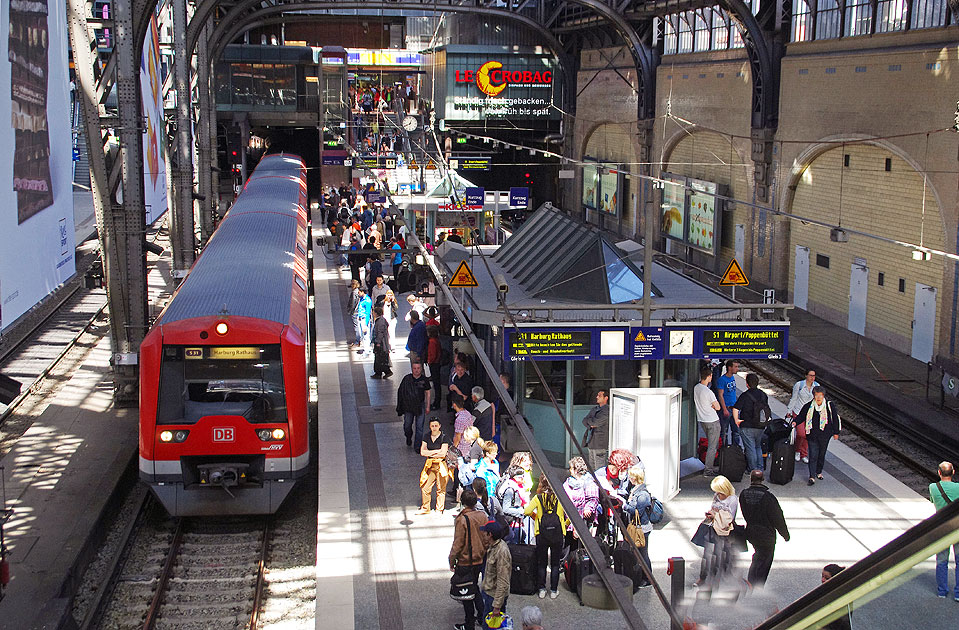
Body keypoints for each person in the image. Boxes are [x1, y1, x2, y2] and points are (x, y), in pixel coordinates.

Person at [739, 470, 790, 588]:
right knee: (765, 560)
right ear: (762, 479)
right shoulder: (768, 497)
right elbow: (777, 517)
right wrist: (785, 535)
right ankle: (757, 586)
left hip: (751, 532)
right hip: (767, 535)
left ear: (751, 479)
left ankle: (751, 582)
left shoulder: (743, 494)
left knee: (758, 556)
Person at [450, 490, 490, 630]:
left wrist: (452, 560)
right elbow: (486, 537)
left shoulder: (462, 519)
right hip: (479, 559)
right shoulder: (482, 516)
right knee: (474, 587)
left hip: (466, 561)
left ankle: (469, 624)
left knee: (466, 591)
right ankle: (481, 616)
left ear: (462, 502)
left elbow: (458, 543)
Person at [524, 476, 569, 599]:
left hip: (541, 533)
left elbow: (527, 511)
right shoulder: (560, 498)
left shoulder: (538, 498)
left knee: (542, 563)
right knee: (555, 564)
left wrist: (536, 518)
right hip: (558, 533)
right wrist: (564, 525)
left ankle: (542, 589)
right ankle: (554, 590)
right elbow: (570, 513)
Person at [694, 475, 738, 587]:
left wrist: (716, 515)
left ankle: (718, 579)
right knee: (707, 554)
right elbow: (713, 508)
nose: (717, 494)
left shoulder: (732, 500)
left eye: (719, 492)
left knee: (720, 554)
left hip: (723, 531)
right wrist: (711, 514)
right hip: (712, 528)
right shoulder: (716, 496)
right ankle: (703, 577)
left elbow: (729, 518)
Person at [793, 386, 841, 486]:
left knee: (821, 454)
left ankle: (818, 471)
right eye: (816, 395)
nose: (818, 397)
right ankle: (811, 476)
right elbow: (801, 416)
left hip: (825, 435)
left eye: (820, 395)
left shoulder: (829, 405)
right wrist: (795, 422)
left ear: (823, 396)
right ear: (814, 396)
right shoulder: (809, 406)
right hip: (812, 435)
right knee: (813, 455)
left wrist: (836, 432)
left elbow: (835, 419)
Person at [930, 461, 959, 600]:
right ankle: (958, 593)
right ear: (953, 472)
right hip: (957, 528)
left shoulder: (933, 487)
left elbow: (933, 501)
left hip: (941, 527)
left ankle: (942, 591)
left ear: (939, 473)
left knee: (942, 559)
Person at [733, 373, 773, 473]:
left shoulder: (745, 395)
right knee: (758, 446)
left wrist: (736, 420)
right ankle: (760, 468)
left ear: (747, 384)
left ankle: (753, 469)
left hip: (747, 426)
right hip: (760, 425)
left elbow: (736, 408)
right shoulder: (763, 395)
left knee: (750, 448)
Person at [622, 465, 653, 588]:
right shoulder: (636, 490)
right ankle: (642, 576)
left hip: (642, 528)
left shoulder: (642, 495)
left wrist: (625, 506)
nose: (629, 478)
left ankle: (648, 578)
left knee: (643, 554)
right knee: (638, 553)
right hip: (639, 527)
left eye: (631, 476)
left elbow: (637, 512)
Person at [480, 518, 512, 624]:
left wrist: (497, 606)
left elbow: (503, 581)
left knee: (490, 627)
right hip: (489, 594)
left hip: (493, 598)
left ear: (490, 535)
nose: (483, 534)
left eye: (485, 532)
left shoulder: (502, 551)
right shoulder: (492, 546)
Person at [563, 456, 600, 542]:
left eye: (571, 468)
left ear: (576, 470)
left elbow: (593, 499)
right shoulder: (568, 482)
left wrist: (588, 509)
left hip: (583, 521)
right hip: (568, 520)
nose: (570, 470)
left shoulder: (589, 482)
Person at [694, 365, 722, 476]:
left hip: (702, 420)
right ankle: (708, 469)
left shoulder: (696, 388)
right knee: (712, 446)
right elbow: (718, 407)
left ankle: (708, 467)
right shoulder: (708, 392)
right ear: (709, 376)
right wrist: (713, 405)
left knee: (710, 444)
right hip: (712, 420)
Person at [418, 417, 450, 515]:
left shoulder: (444, 437)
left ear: (440, 426)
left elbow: (443, 453)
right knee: (425, 486)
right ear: (430, 427)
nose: (434, 428)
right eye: (432, 426)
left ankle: (439, 509)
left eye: (436, 425)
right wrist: (436, 451)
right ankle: (425, 507)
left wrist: (430, 452)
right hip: (430, 464)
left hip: (441, 464)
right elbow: (422, 452)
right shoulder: (427, 436)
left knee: (441, 488)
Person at [786, 369, 818, 464]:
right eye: (810, 375)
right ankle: (797, 450)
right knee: (801, 434)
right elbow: (794, 398)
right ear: (806, 376)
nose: (812, 377)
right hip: (798, 412)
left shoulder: (816, 386)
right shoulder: (799, 385)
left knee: (807, 434)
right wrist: (789, 410)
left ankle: (803, 453)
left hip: (810, 414)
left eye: (814, 375)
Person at [396, 362, 431, 448]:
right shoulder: (407, 379)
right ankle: (408, 436)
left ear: (421, 369)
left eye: (418, 368)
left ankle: (417, 446)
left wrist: (428, 406)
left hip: (420, 405)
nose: (416, 370)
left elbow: (428, 393)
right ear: (412, 369)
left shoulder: (424, 380)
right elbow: (401, 392)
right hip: (409, 406)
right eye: (414, 368)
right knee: (407, 425)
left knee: (419, 427)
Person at [715, 360, 742, 447]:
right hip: (726, 408)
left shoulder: (732, 378)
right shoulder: (722, 380)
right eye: (735, 366)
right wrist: (724, 409)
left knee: (736, 431)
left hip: (734, 408)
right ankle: (724, 449)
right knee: (724, 431)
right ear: (729, 368)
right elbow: (720, 395)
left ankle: (735, 448)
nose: (737, 369)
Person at [582, 389, 610, 470]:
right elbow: (584, 420)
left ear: (606, 398)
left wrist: (591, 422)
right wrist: (591, 423)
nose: (597, 397)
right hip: (591, 442)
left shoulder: (606, 411)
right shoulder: (595, 409)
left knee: (599, 468)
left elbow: (595, 423)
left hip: (600, 444)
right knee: (592, 468)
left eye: (600, 396)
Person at [820, 564, 852, 630]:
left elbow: (842, 623)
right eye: (822, 576)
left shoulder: (841, 598)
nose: (823, 580)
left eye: (827, 578)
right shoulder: (827, 591)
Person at [370, 306, 392, 379]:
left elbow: (380, 332)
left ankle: (381, 372)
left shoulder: (380, 322)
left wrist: (378, 342)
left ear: (376, 313)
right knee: (380, 358)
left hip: (381, 343)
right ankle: (382, 372)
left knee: (380, 358)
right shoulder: (381, 320)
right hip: (381, 342)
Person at [426, 325, 443, 410]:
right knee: (437, 384)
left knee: (436, 384)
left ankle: (437, 403)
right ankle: (437, 401)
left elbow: (433, 354)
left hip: (434, 364)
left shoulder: (432, 342)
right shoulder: (436, 340)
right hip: (437, 363)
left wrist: (429, 361)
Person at [355, 288, 372, 354]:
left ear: (362, 292)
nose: (358, 293)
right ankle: (365, 348)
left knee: (366, 335)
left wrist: (365, 324)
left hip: (364, 319)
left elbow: (368, 313)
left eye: (359, 292)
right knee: (362, 335)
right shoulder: (361, 299)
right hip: (360, 318)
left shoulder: (367, 300)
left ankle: (367, 351)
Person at [346, 280, 362, 348]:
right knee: (359, 326)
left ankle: (358, 341)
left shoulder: (354, 293)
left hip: (355, 312)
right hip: (359, 311)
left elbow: (352, 303)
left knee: (356, 327)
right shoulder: (359, 292)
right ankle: (360, 340)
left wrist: (350, 311)